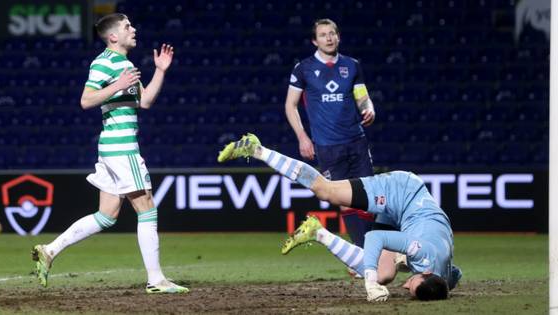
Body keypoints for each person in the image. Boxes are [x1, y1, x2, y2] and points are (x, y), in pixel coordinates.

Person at [31, 13, 188, 294]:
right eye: (128, 26)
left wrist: (160, 70)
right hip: (121, 146)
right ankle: (156, 279)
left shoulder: (125, 63)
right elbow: (86, 100)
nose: (134, 28)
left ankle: (49, 250)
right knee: (147, 208)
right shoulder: (104, 63)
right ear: (113, 36)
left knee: (107, 215)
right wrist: (117, 85)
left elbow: (146, 102)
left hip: (114, 147)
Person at [217, 133, 462, 301]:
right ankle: (257, 149)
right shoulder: (420, 252)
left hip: (409, 215)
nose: (407, 285)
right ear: (428, 272)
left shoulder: (444, 276)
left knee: (385, 274)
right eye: (414, 282)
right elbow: (376, 237)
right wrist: (369, 282)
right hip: (402, 191)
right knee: (326, 190)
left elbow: (455, 273)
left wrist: (393, 272)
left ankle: (317, 232)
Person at [284, 18, 377, 249]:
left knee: (369, 198)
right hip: (328, 146)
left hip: (356, 141)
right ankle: (360, 251)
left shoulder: (352, 65)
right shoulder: (303, 69)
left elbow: (361, 95)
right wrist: (302, 137)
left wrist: (369, 108)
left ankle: (369, 251)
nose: (329, 38)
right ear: (315, 40)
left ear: (338, 36)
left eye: (332, 33)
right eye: (323, 34)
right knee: (344, 200)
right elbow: (290, 105)